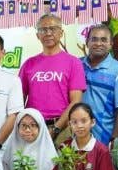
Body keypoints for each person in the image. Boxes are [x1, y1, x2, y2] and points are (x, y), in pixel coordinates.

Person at [19, 14, 86, 144]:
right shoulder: (28, 64)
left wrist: (55, 129)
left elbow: (76, 101)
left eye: (53, 29)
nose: (48, 33)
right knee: (32, 165)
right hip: (33, 128)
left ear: (61, 33)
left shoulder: (73, 62)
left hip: (63, 128)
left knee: (63, 165)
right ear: (38, 35)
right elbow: (19, 100)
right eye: (43, 30)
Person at [80, 23, 118, 144]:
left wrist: (113, 140)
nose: (98, 43)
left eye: (104, 40)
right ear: (87, 42)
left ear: (111, 45)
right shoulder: (76, 66)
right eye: (94, 39)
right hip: (75, 139)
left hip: (103, 140)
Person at [57, 103, 116, 170]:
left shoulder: (101, 150)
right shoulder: (64, 147)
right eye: (74, 122)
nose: (79, 126)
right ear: (69, 124)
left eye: (84, 121)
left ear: (92, 122)